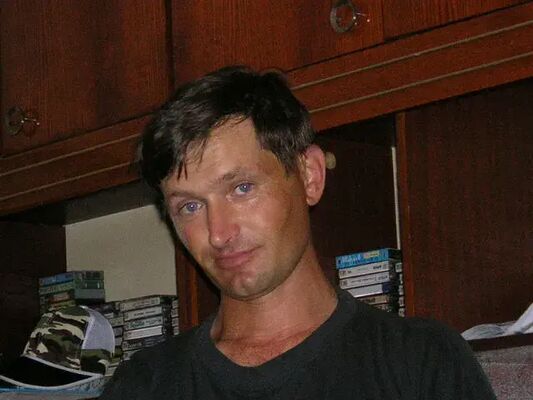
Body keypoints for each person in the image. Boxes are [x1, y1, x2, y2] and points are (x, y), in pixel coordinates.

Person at [101, 66, 496, 399]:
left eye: (242, 188)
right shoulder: (143, 386)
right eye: (190, 207)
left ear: (310, 176)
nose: (218, 233)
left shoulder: (421, 363)